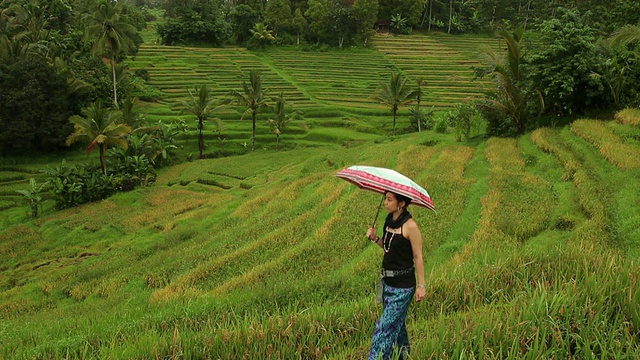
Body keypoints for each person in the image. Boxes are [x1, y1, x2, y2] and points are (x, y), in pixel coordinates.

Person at [366, 191, 426, 360]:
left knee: (383, 330)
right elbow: (387, 247)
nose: (385, 202)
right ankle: (404, 356)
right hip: (387, 283)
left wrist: (421, 286)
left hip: (403, 287)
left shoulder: (410, 226)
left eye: (389, 199)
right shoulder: (389, 220)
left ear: (401, 203)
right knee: (397, 327)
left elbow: (418, 256)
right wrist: (375, 238)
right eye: (385, 198)